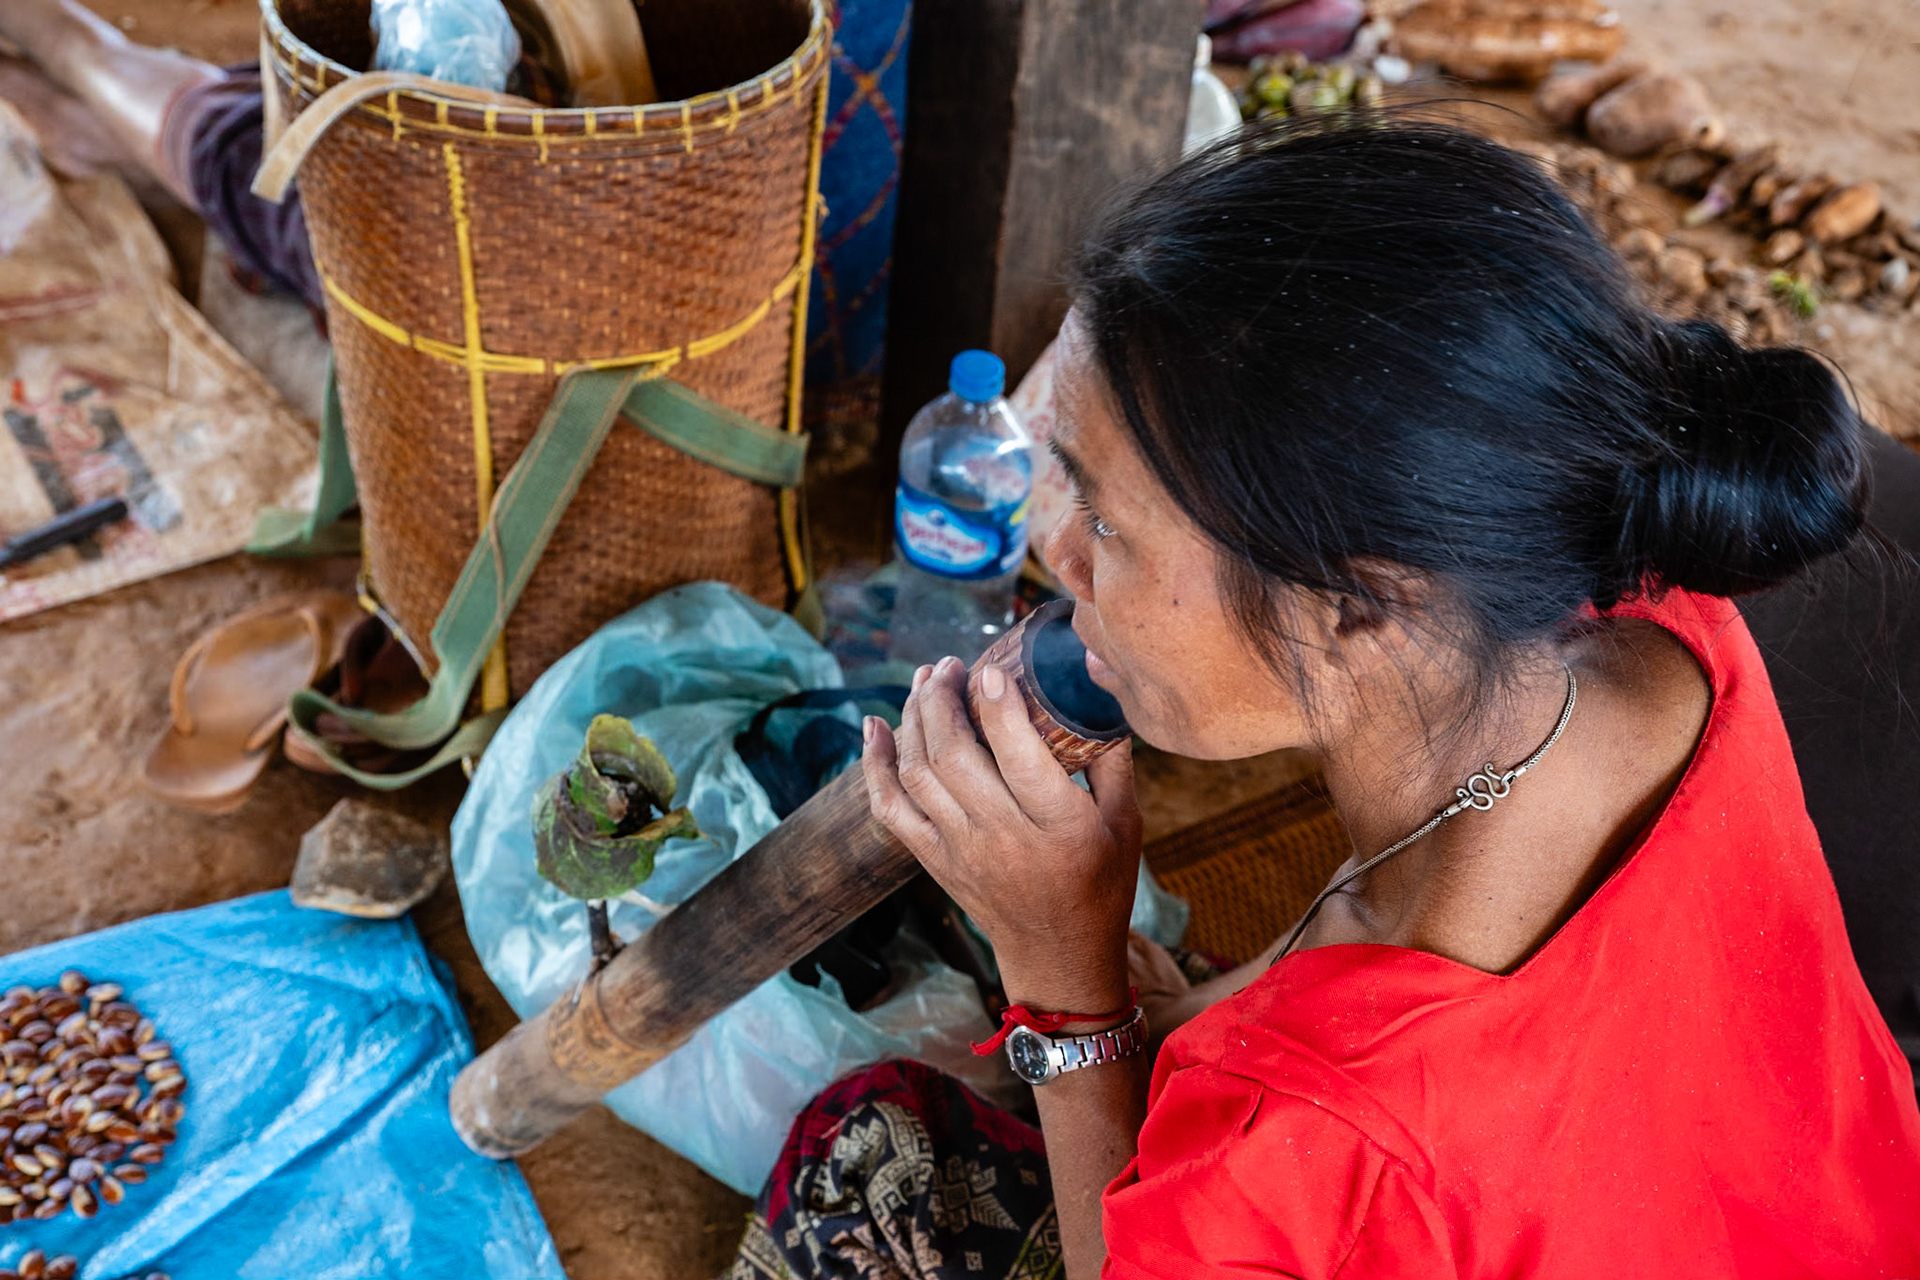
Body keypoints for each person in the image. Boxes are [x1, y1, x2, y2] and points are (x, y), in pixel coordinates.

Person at [732, 118, 1920, 1278]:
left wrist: (1068, 984)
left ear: (1352, 602)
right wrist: (1202, 1010)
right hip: (1838, 1220)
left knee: (869, 1149)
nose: (1057, 554)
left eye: (1105, 522)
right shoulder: (1660, 619)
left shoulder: (1327, 1128)